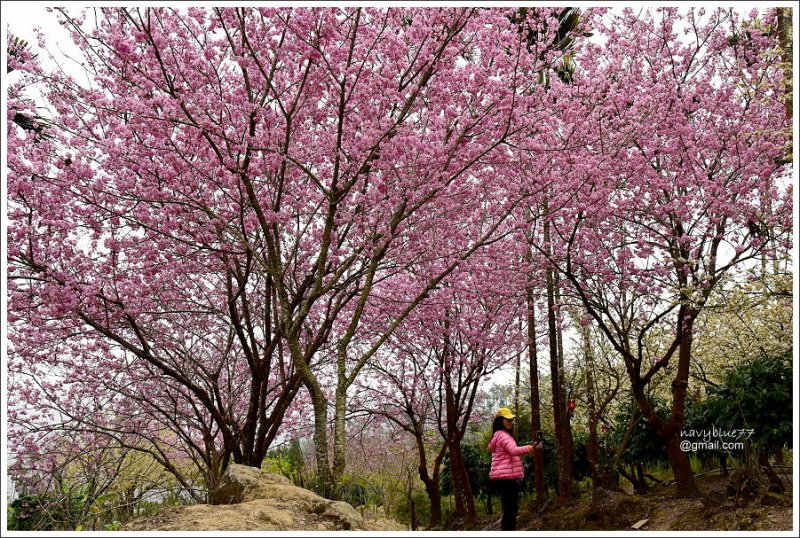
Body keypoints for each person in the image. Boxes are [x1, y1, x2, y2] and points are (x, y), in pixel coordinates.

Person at [488, 407, 543, 531]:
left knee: (509, 509)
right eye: (507, 420)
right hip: (507, 478)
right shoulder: (504, 436)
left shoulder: (497, 435)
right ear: (500, 421)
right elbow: (514, 450)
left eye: (511, 420)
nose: (510, 422)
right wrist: (531, 448)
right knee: (511, 510)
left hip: (502, 478)